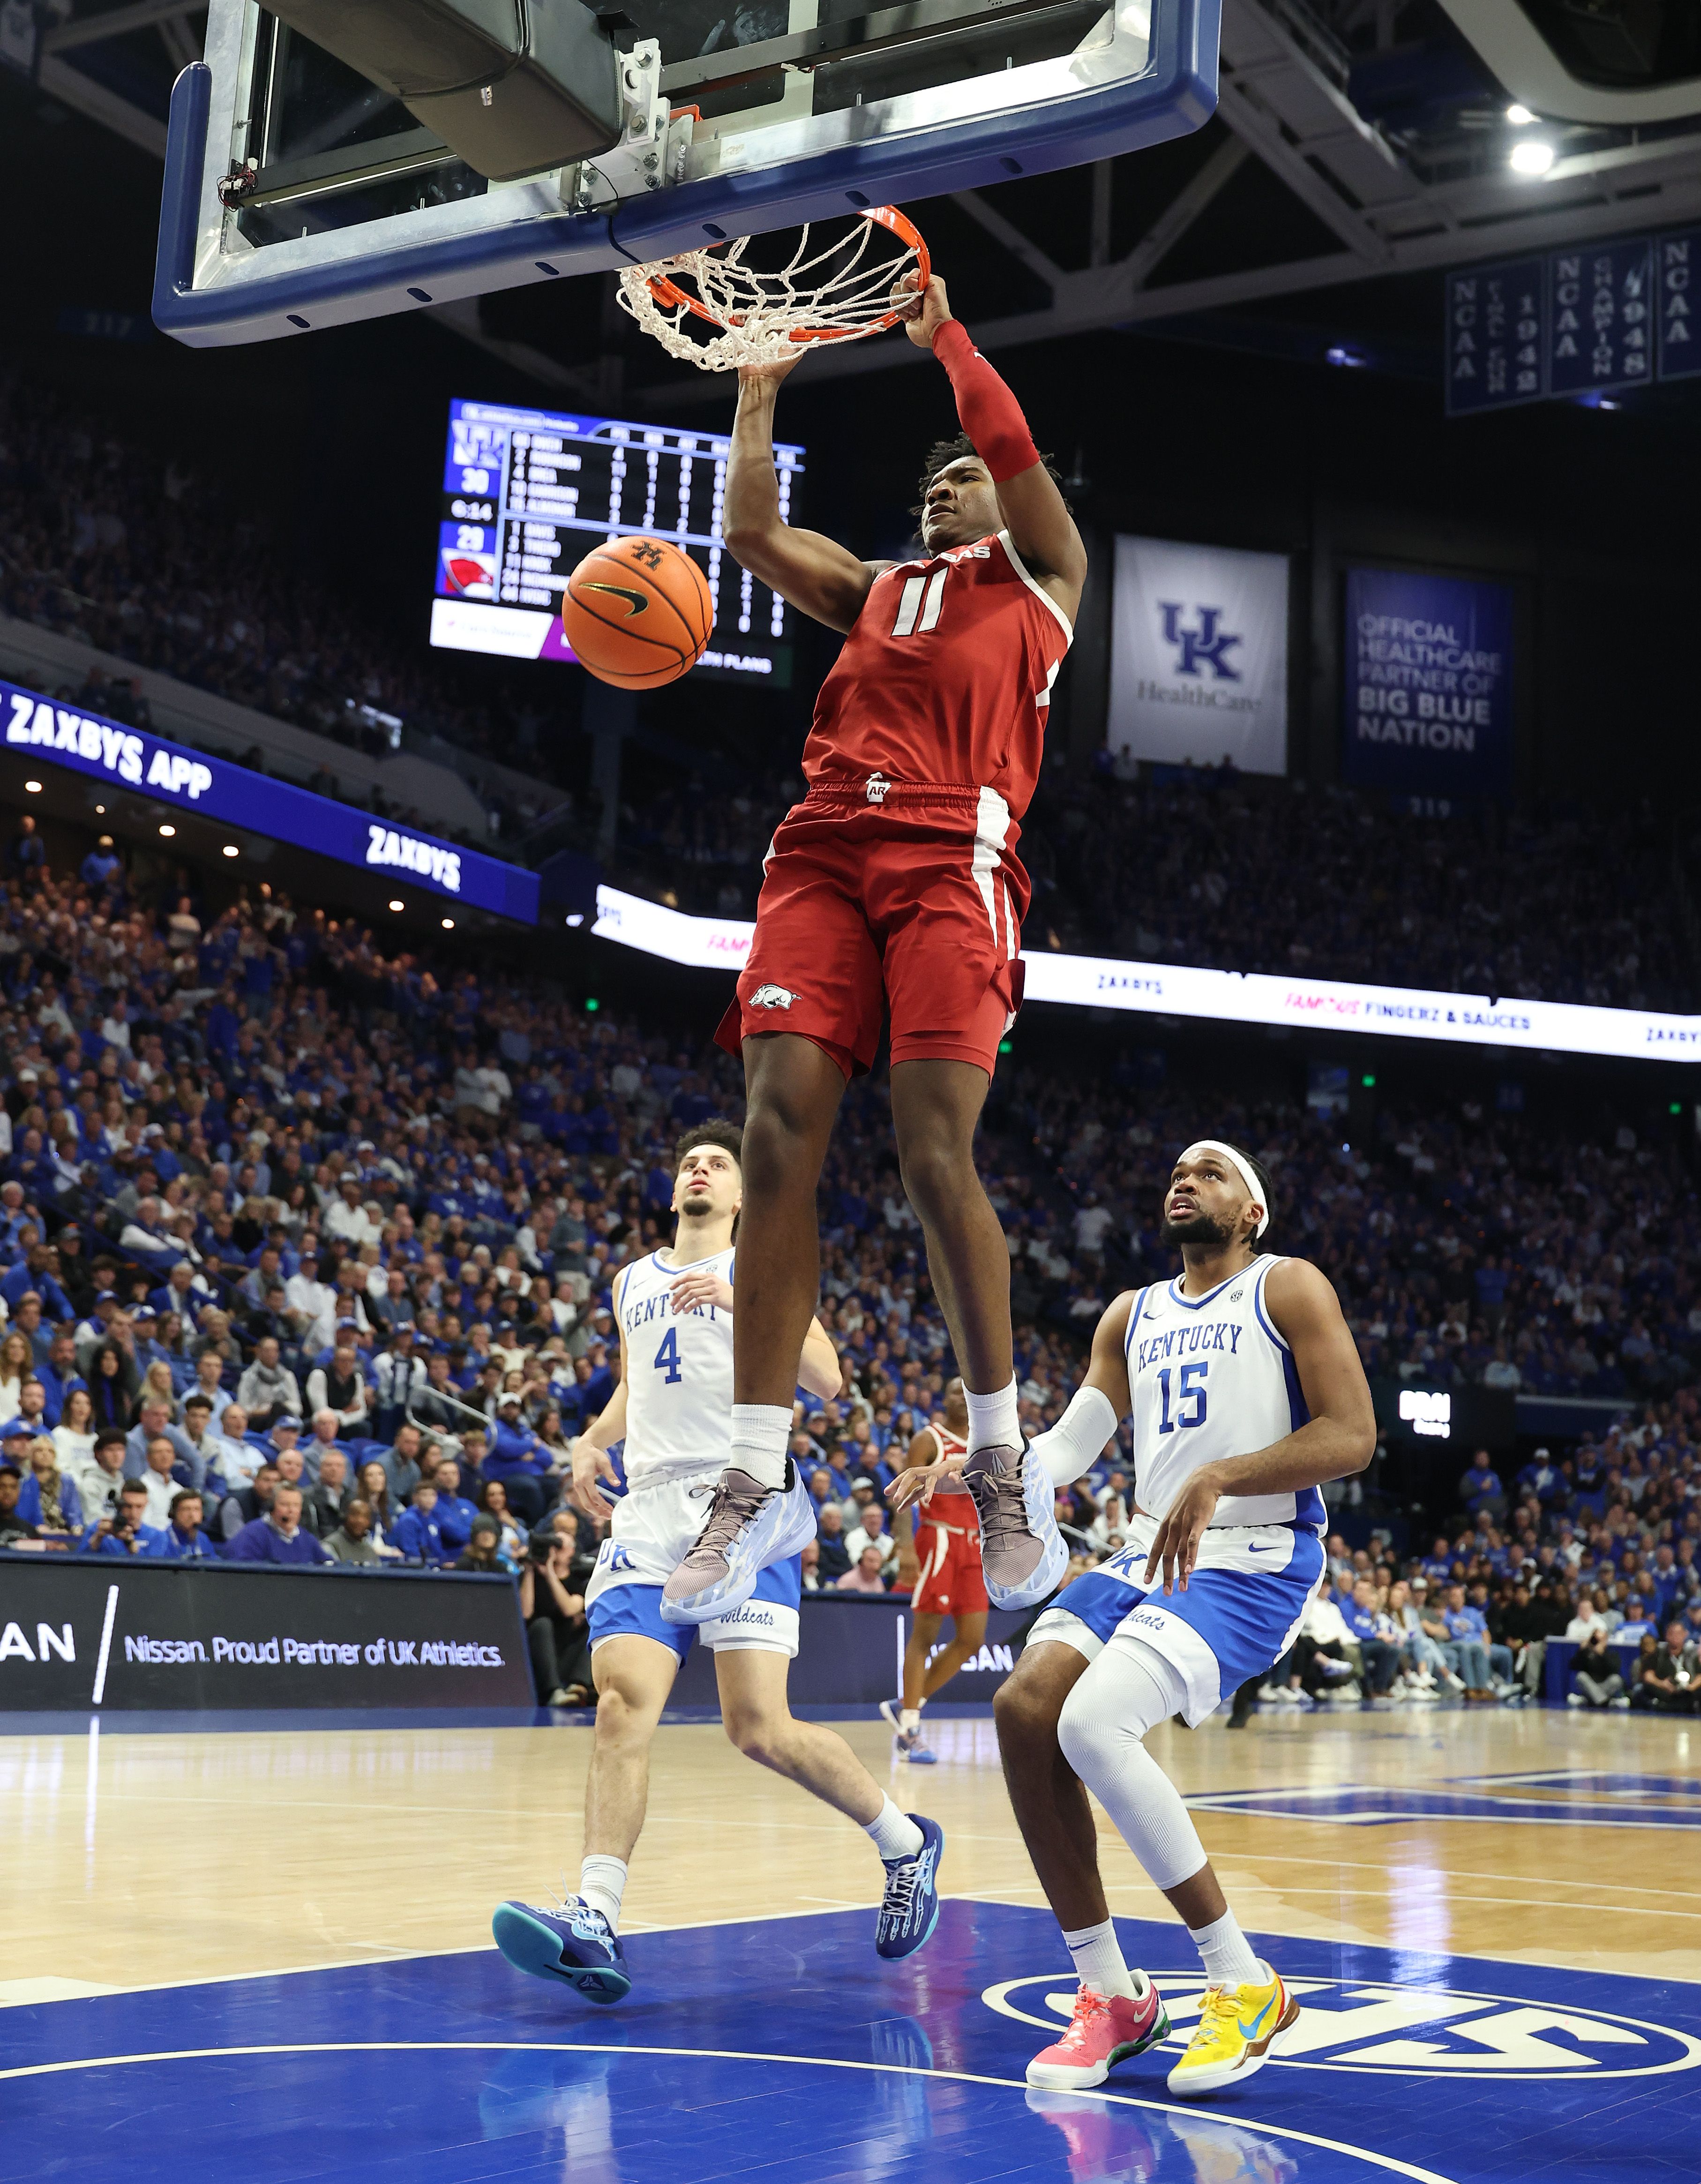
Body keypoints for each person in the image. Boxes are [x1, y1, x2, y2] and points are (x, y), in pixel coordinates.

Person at [659, 267, 1085, 1631]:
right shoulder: (877, 587)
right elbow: (750, 534)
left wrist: (944, 338)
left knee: (928, 1151)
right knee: (775, 1134)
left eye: (960, 479)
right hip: (823, 845)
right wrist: (759, 394)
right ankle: (751, 1468)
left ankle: (1002, 1460)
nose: (945, 491)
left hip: (954, 855)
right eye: (935, 483)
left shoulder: (1044, 578)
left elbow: (1013, 447)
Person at [892, 1139, 1374, 2097]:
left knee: (1089, 1721)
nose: (1183, 1177)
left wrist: (1219, 1475)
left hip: (1252, 1553)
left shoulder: (1287, 1288)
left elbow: (1351, 1434)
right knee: (1024, 1709)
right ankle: (1111, 1993)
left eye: (1211, 1171)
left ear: (1250, 1213)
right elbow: (1073, 1442)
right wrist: (983, 1461)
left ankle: (1242, 1978)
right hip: (1144, 1550)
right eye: (1176, 1170)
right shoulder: (1131, 1312)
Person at [493, 1123, 943, 2005]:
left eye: (718, 1164)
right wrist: (590, 1439)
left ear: (740, 1197)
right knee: (621, 1701)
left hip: (746, 1500)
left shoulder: (761, 1266)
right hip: (650, 1508)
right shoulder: (630, 1281)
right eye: (688, 1164)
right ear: (673, 1193)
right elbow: (639, 1380)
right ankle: (594, 1915)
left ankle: (902, 1840)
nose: (699, 1169)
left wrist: (746, 1305)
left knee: (757, 1728)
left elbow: (828, 1377)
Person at [880, 1379, 985, 1765]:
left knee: (972, 1639)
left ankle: (909, 1701)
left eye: (967, 1391)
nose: (961, 1396)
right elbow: (902, 1493)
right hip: (938, 1539)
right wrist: (906, 1546)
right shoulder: (930, 1438)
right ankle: (909, 1730)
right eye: (954, 1391)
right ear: (944, 1399)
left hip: (974, 1543)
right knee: (924, 1636)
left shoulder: (984, 1443)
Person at [521, 1526, 593, 1705]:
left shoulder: (578, 1581)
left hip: (566, 1655)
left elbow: (569, 1609)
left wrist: (550, 1574)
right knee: (543, 1624)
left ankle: (579, 1685)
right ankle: (554, 1691)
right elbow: (525, 1612)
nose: (555, 1550)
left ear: (572, 1552)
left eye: (561, 1546)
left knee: (592, 1626)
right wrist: (530, 1570)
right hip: (539, 1657)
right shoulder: (532, 1579)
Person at [225, 1480, 331, 1564]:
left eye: (296, 1505)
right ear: (271, 1507)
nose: (291, 1510)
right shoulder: (253, 1534)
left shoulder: (306, 1538)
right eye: (285, 1505)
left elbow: (328, 1563)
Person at [149, 1488, 216, 1560]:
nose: (192, 1515)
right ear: (174, 1513)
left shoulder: (203, 1539)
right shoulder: (162, 1540)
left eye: (197, 1509)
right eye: (186, 1509)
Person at [323, 1497, 387, 1565]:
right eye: (355, 1515)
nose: (360, 1521)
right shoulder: (330, 1545)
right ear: (345, 1517)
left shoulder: (370, 1551)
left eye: (365, 1517)